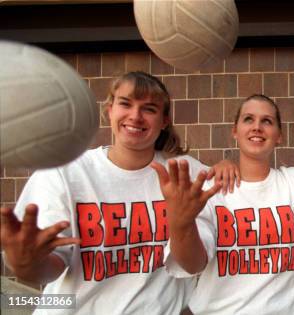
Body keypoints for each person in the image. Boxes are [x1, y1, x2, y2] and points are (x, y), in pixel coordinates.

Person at [0, 71, 236, 314]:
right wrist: (25, 263)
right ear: (110, 109)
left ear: (164, 120)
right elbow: (49, 269)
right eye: (125, 103)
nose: (135, 116)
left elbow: (192, 265)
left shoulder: (186, 173)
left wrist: (183, 221)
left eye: (149, 109)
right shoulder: (64, 174)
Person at [153, 94, 294, 315]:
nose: (257, 127)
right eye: (248, 119)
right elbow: (192, 265)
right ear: (235, 131)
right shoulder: (211, 191)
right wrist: (181, 223)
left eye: (267, 121)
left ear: (279, 136)